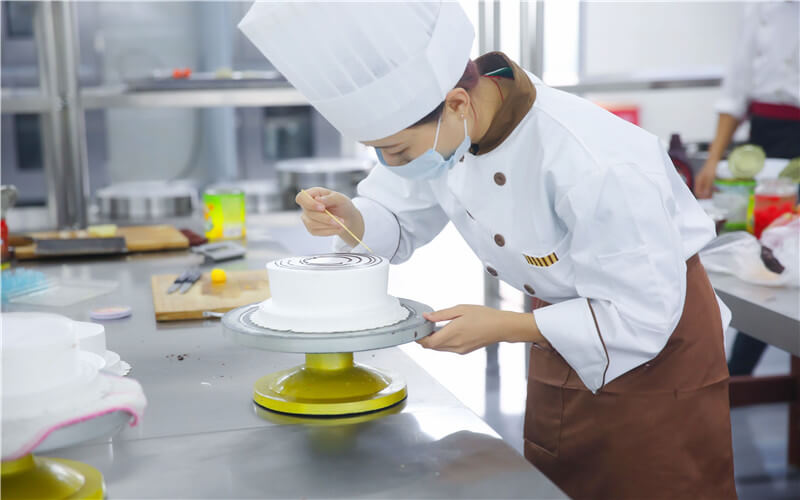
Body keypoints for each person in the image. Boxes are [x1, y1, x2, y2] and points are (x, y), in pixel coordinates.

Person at [240, 2, 737, 498]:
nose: (392, 165)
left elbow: (641, 315)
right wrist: (351, 219)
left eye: (397, 152)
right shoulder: (448, 130)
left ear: (458, 103)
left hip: (658, 350)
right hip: (561, 331)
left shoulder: (592, 161)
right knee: (559, 484)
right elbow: (396, 214)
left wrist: (503, 326)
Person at [694, 1, 800, 376]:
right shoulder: (760, 5)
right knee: (767, 252)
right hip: (768, 136)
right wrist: (713, 159)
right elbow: (736, 88)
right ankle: (736, 374)